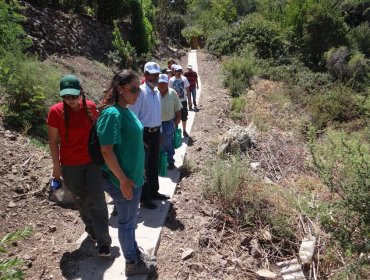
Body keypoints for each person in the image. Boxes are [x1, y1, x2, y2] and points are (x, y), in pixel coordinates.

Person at [97, 70, 157, 276]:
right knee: (126, 222)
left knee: (130, 221)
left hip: (133, 177)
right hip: (122, 181)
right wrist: (123, 179)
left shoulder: (126, 109)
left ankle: (134, 253)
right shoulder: (112, 114)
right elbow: (106, 150)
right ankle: (132, 262)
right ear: (120, 89)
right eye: (133, 90)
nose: (137, 93)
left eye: (138, 89)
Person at [47, 74, 111, 256]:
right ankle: (91, 228)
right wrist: (56, 167)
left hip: (91, 163)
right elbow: (53, 142)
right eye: (66, 97)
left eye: (74, 96)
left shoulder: (90, 108)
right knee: (81, 201)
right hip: (69, 165)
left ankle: (104, 241)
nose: (70, 100)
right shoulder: (55, 112)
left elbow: (100, 134)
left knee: (97, 200)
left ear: (81, 93)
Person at [129, 62, 169, 210]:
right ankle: (144, 198)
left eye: (156, 75)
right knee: (143, 168)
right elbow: (133, 117)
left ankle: (154, 192)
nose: (154, 77)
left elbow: (157, 115)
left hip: (155, 132)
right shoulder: (140, 93)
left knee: (153, 165)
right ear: (145, 75)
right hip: (144, 133)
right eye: (151, 74)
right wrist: (139, 138)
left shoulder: (157, 92)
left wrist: (160, 133)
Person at [157, 74, 182, 170]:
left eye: (164, 83)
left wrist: (178, 118)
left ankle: (170, 161)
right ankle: (162, 160)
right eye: (160, 83)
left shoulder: (172, 93)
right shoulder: (154, 93)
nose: (162, 85)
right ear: (157, 84)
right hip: (156, 124)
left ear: (167, 83)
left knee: (168, 142)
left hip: (168, 123)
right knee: (159, 143)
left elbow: (178, 107)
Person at [169, 65, 191, 138]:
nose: (179, 72)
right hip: (174, 102)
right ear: (174, 72)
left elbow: (187, 89)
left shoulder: (184, 79)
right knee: (175, 118)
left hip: (183, 101)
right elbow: (170, 91)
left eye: (180, 71)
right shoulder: (171, 80)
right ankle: (176, 131)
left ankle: (184, 130)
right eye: (177, 71)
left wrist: (189, 100)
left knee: (184, 117)